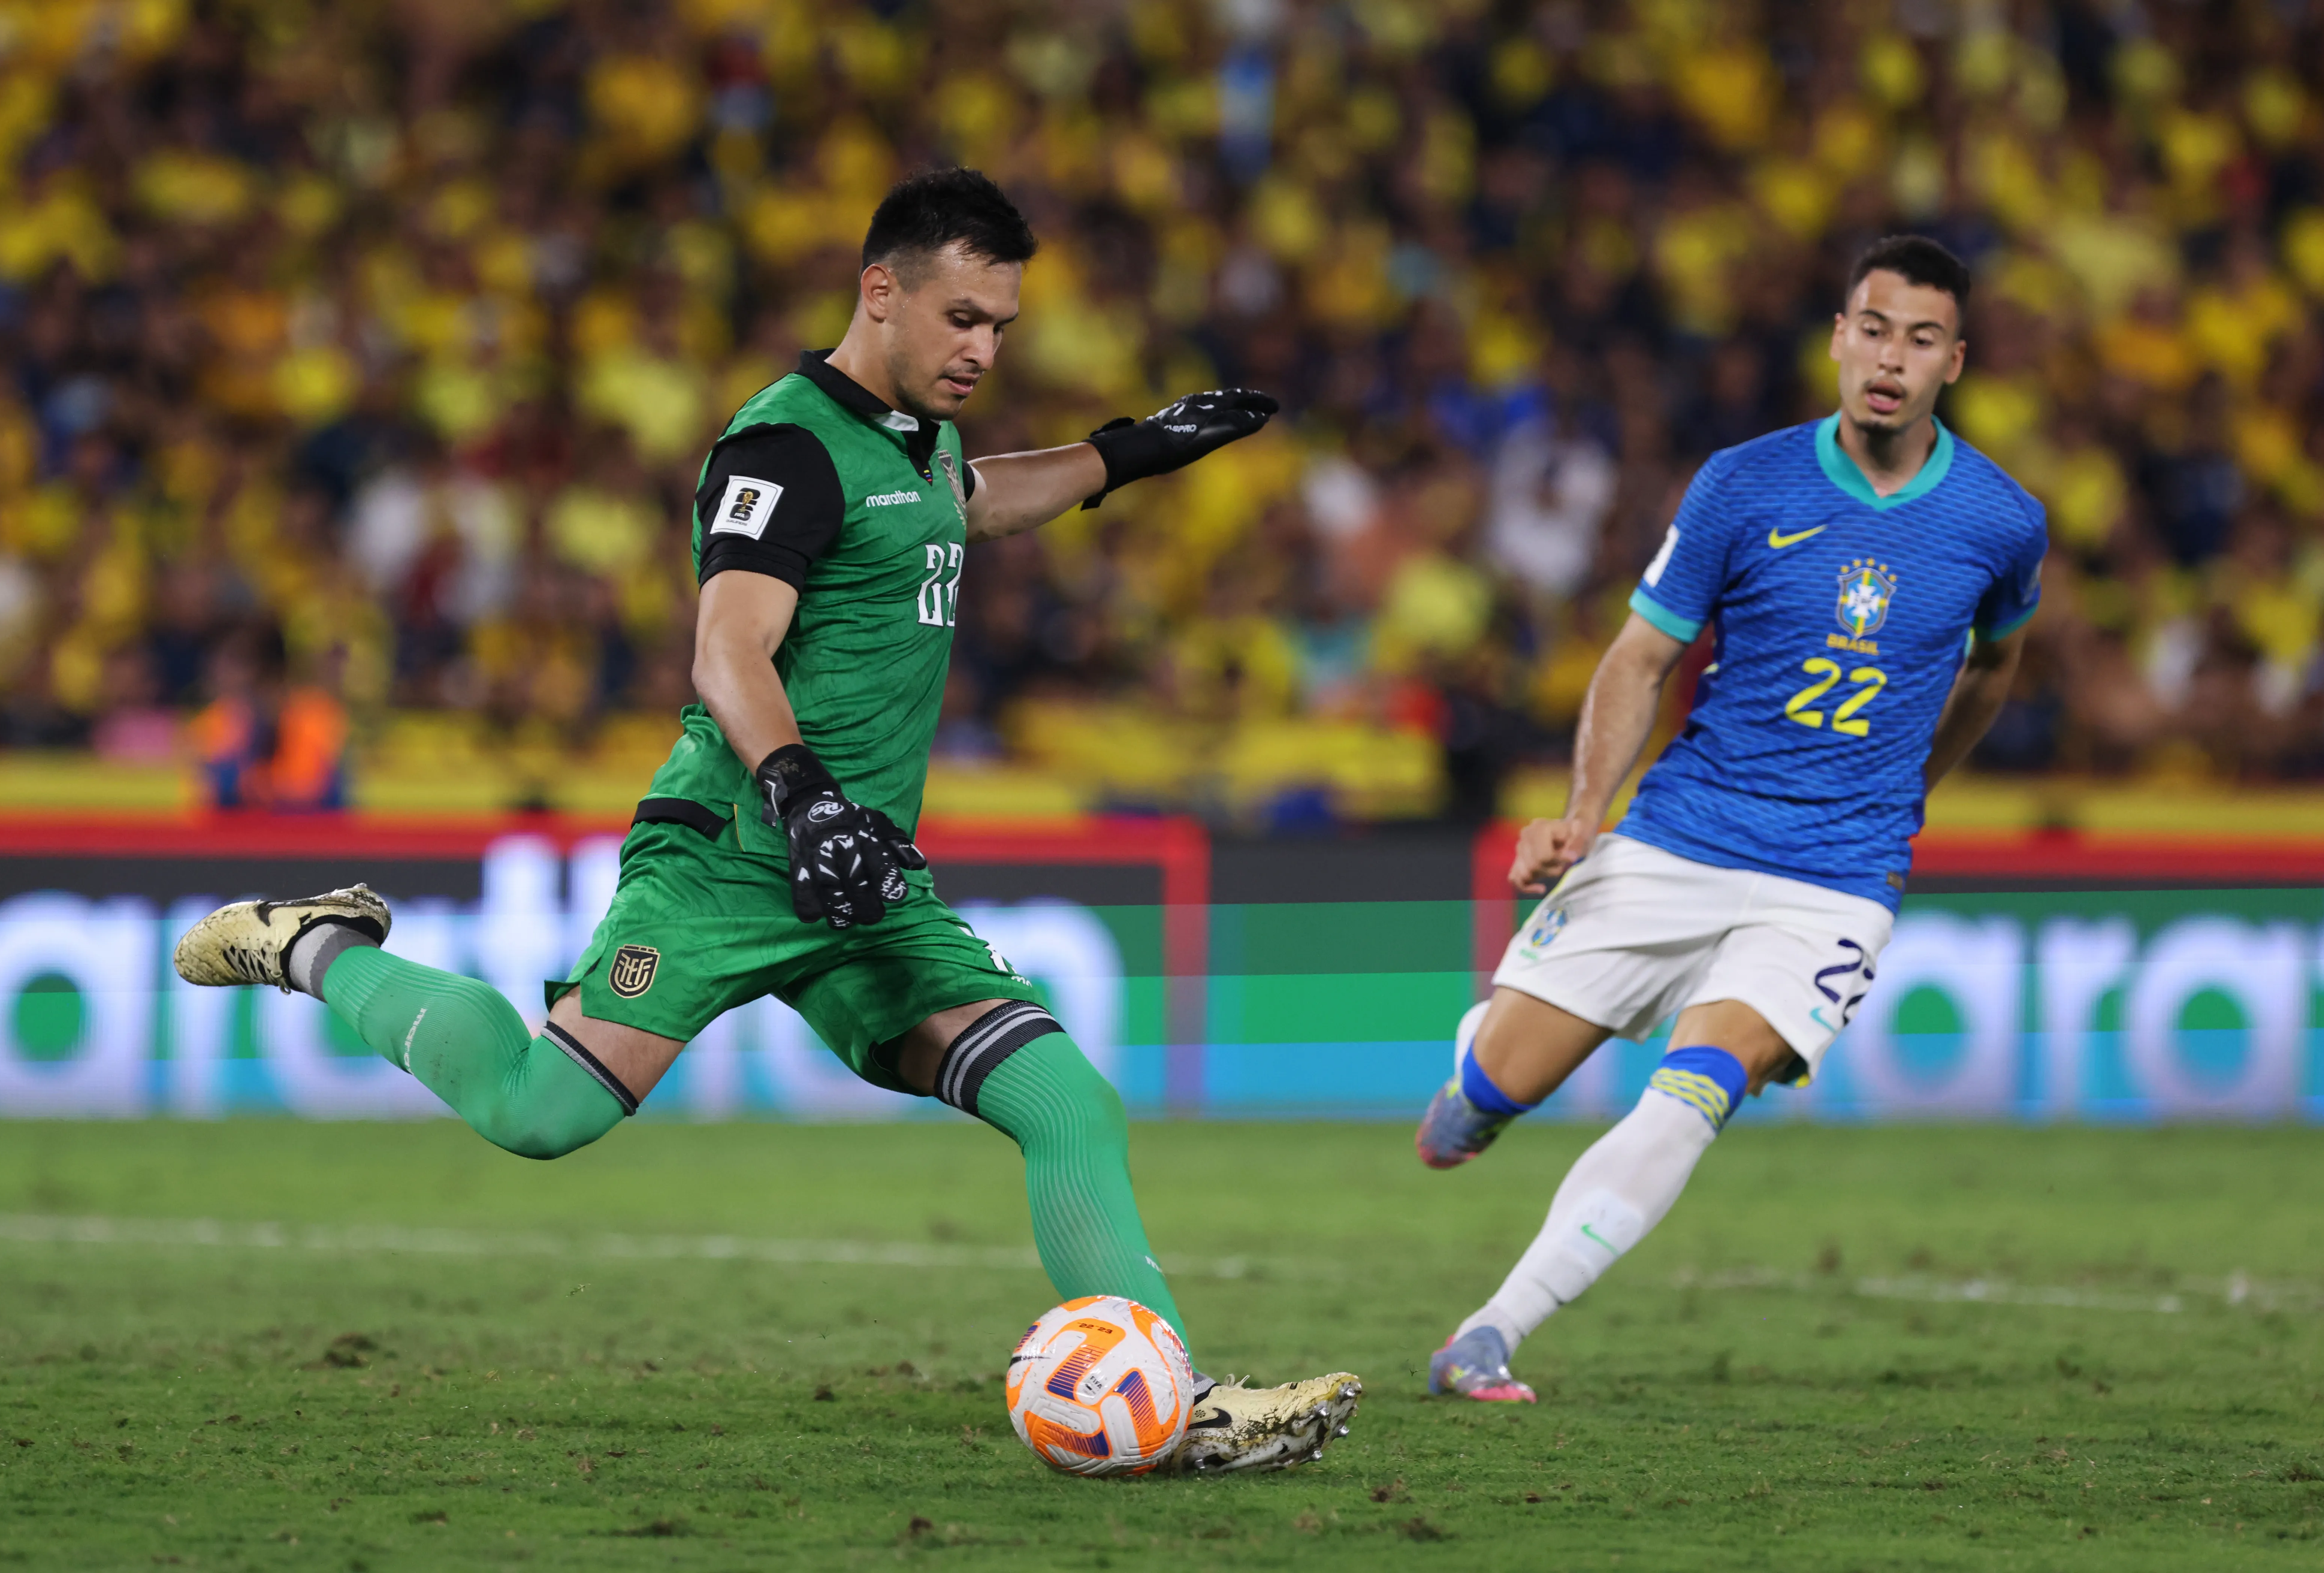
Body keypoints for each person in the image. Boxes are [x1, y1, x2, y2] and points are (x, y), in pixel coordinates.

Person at [173, 169, 1358, 1473]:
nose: (983, 349)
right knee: (535, 1113)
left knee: (1064, 1099)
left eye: (1003, 327)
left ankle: (1170, 1403)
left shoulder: (917, 441)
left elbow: (966, 508)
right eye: (962, 317)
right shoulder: (784, 448)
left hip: (860, 882)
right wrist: (802, 798)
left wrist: (1141, 449)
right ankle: (318, 942)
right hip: (737, 856)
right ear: (879, 292)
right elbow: (728, 647)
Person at [1418, 237, 2044, 1402]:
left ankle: (1492, 1331)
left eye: (1919, 339)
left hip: (1837, 877)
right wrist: (1579, 817)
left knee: (1697, 1088)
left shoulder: (2002, 522)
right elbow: (1641, 656)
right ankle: (1479, 1082)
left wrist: (1912, 789)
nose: (1889, 359)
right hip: (1680, 836)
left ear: (1954, 361)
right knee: (1500, 1087)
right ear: (1838, 338)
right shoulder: (1744, 485)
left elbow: (1995, 667)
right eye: (1872, 328)